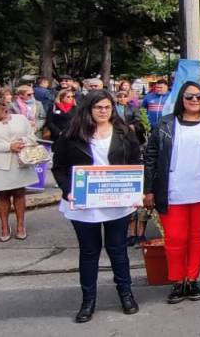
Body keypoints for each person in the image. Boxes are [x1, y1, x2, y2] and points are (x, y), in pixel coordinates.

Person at [52, 91, 140, 322]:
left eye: (107, 107)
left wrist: (137, 190)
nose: (103, 111)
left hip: (117, 202)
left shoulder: (124, 133)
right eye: (98, 107)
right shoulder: (71, 134)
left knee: (118, 250)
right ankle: (88, 301)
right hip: (83, 203)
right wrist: (68, 190)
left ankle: (126, 294)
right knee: (89, 252)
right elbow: (59, 167)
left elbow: (135, 163)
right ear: (88, 109)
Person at [143, 81, 200, 304]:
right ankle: (178, 280)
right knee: (175, 238)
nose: (195, 100)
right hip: (172, 191)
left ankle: (192, 279)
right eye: (190, 96)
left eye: (199, 96)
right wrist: (148, 189)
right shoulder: (166, 123)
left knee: (198, 238)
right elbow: (150, 156)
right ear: (181, 98)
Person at [0, 97, 37, 242]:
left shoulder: (21, 119)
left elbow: (32, 137)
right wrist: (8, 146)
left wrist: (22, 142)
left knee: (19, 193)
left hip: (20, 162)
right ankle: (4, 227)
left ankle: (20, 226)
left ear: (5, 108)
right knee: (2, 195)